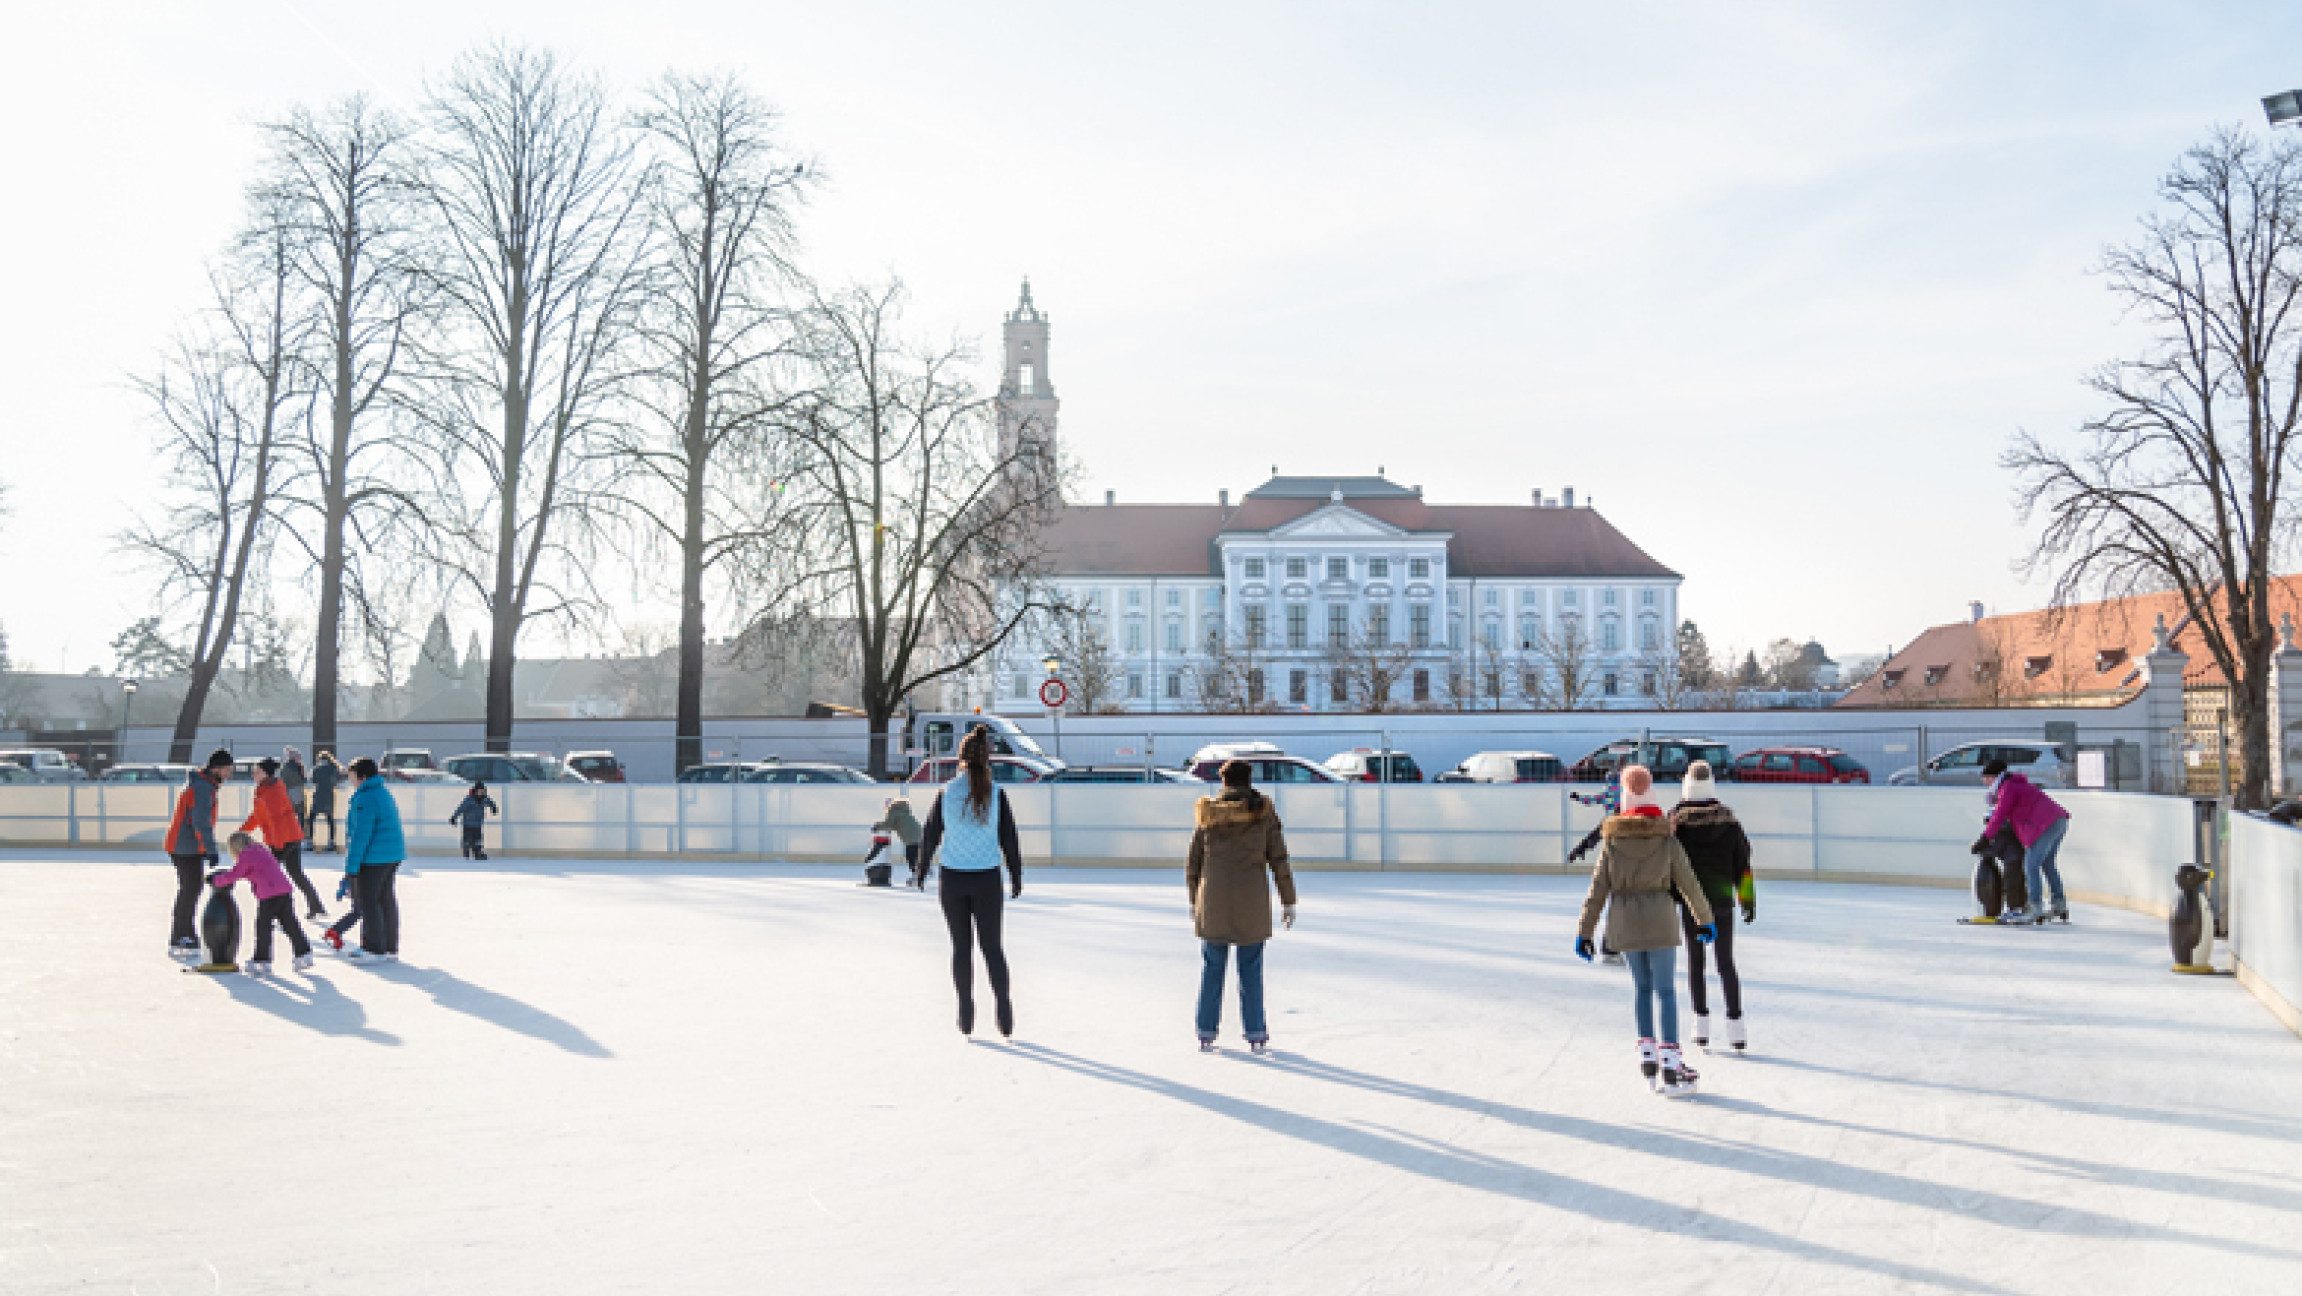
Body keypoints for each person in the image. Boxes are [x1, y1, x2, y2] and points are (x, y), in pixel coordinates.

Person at [1575, 764, 1716, 1097]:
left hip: (1624, 922)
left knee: (1641, 989)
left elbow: (1597, 892)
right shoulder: (1667, 840)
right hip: (1660, 919)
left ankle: (1648, 1059)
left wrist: (1585, 932)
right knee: (1665, 991)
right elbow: (1689, 884)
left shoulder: (1612, 843)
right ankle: (1671, 1064)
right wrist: (1705, 919)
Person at [913, 726, 1023, 1038]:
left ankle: (965, 1010)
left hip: (953, 880)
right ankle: (1004, 1008)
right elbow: (1009, 839)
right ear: (987, 758)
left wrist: (921, 869)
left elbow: (930, 835)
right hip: (987, 879)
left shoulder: (946, 793)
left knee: (961, 948)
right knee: (992, 948)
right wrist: (1016, 874)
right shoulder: (997, 794)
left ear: (960, 758)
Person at [1186, 759, 1297, 1055]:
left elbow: (1194, 862)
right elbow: (1279, 859)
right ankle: (1255, 1032)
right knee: (1250, 969)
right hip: (1252, 902)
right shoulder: (1263, 813)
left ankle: (1206, 1031)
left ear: (1223, 782)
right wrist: (1288, 900)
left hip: (1214, 901)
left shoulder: (1209, 813)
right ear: (1249, 780)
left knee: (1212, 967)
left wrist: (1195, 900)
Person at [1670, 761, 1753, 1052]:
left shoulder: (1676, 823)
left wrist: (1671, 896)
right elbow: (1743, 863)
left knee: (1696, 962)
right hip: (1721, 901)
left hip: (1692, 902)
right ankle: (1736, 1028)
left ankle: (1700, 1025)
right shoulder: (1729, 823)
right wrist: (1747, 898)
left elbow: (1668, 863)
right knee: (1725, 962)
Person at [1976, 759, 2071, 923]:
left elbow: (1999, 815)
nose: (1984, 782)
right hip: (2058, 821)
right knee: (2047, 863)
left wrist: (1985, 838)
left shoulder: (2008, 788)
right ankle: (2059, 904)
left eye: (1985, 778)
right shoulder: (2013, 785)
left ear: (1993, 777)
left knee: (2031, 864)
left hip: (2047, 824)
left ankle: (2035, 907)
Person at [163, 749, 235, 960]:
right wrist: (211, 850)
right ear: (216, 769)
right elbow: (201, 823)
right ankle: (180, 936)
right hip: (185, 847)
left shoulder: (204, 785)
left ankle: (184, 933)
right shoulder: (203, 788)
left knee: (191, 890)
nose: (228, 775)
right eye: (227, 770)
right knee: (190, 890)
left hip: (186, 846)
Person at [213, 831, 315, 974]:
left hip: (270, 895)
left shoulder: (246, 855)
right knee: (290, 924)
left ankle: (262, 960)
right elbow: (252, 871)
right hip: (284, 891)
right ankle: (304, 953)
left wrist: (216, 880)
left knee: (263, 927)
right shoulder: (260, 850)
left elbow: (235, 874)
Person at [241, 756, 324, 920]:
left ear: (266, 773)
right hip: (287, 837)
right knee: (295, 873)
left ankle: (275, 910)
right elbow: (257, 816)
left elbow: (277, 819)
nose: (254, 774)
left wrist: (278, 845)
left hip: (284, 839)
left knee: (269, 875)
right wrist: (242, 831)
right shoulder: (264, 789)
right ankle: (315, 906)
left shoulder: (272, 791)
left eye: (257, 771)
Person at [340, 757, 407, 963]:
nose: (350, 780)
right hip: (391, 854)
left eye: (352, 776)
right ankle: (389, 947)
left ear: (362, 776)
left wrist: (351, 868)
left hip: (374, 857)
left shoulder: (366, 798)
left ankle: (373, 948)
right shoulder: (381, 792)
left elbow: (361, 835)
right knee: (385, 899)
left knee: (369, 901)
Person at [875, 795, 923, 881]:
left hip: (911, 838)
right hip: (920, 835)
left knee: (911, 856)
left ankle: (917, 875)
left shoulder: (893, 812)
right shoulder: (904, 811)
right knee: (916, 854)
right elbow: (897, 824)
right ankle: (922, 871)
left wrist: (877, 826)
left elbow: (888, 824)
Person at [449, 781, 498, 861]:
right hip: (468, 824)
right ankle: (466, 851)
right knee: (468, 840)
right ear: (476, 790)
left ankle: (478, 853)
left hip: (478, 824)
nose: (481, 792)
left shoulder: (484, 799)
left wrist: (494, 808)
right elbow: (460, 808)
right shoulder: (469, 800)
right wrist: (454, 817)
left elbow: (491, 803)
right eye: (480, 790)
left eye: (483, 791)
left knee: (478, 840)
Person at [306, 751, 343, 852]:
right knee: (330, 818)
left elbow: (313, 779)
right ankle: (331, 841)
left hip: (318, 795)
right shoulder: (333, 769)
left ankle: (310, 841)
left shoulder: (317, 769)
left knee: (311, 818)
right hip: (329, 795)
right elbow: (337, 780)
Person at [281, 747, 309, 834]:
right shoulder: (299, 766)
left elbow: (282, 780)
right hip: (298, 792)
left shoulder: (284, 767)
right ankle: (301, 833)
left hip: (288, 793)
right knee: (301, 814)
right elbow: (303, 780)